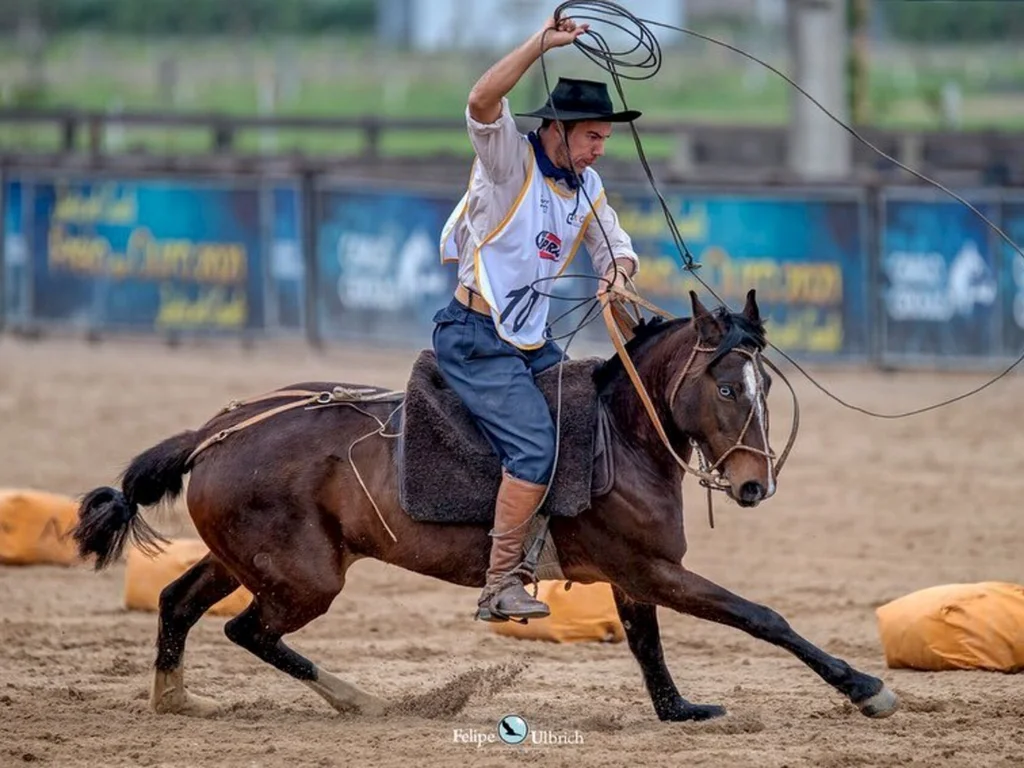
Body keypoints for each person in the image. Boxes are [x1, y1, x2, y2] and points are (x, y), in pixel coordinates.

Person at [434, 14, 641, 622]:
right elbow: (480, 99)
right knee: (532, 449)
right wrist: (539, 44)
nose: (600, 148)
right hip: (475, 337)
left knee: (589, 417)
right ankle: (500, 581)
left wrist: (617, 275)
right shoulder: (508, 162)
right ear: (557, 129)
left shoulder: (588, 184)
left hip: (530, 342)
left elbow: (617, 246)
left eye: (604, 138)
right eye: (593, 138)